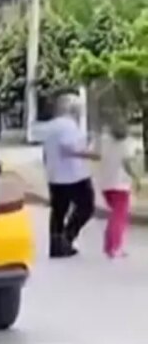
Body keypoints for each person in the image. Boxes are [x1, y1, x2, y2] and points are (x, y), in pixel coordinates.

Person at [43, 93, 97, 258]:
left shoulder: (50, 126)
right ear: (71, 109)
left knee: (58, 211)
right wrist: (91, 155)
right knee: (86, 206)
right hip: (74, 176)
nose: (80, 111)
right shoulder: (68, 125)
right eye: (78, 108)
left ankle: (56, 246)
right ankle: (67, 236)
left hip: (55, 176)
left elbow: (47, 152)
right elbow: (69, 148)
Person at [98, 116, 141, 259]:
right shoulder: (128, 144)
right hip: (121, 185)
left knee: (115, 216)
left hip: (106, 184)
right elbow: (127, 164)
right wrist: (136, 178)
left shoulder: (104, 140)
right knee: (119, 217)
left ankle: (110, 245)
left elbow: (98, 155)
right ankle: (114, 247)